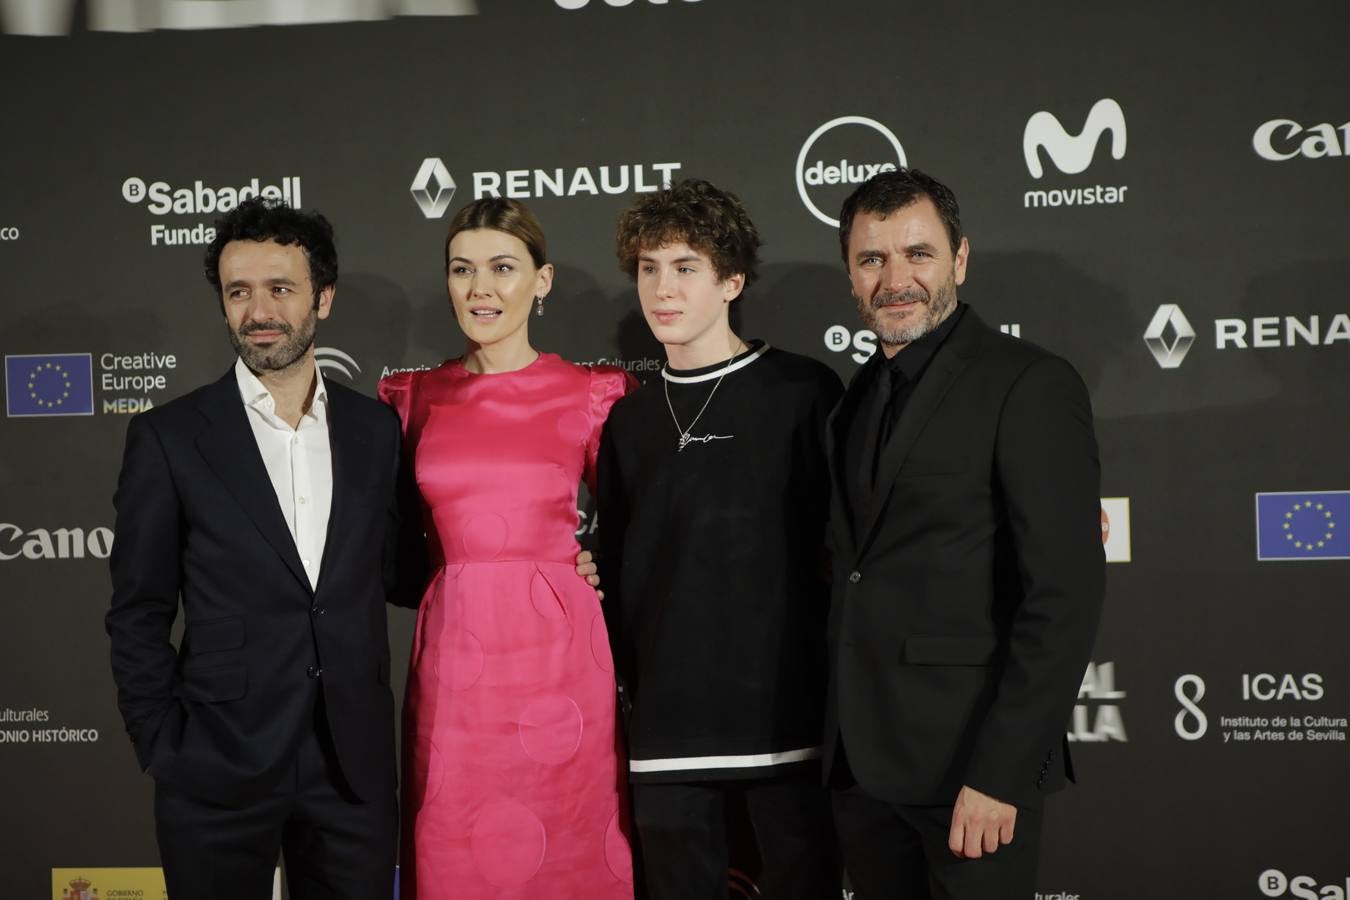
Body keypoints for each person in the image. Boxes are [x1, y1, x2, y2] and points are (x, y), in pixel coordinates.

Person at [104, 196, 607, 899]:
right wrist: (163, 742)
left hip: (353, 768)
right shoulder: (169, 437)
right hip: (218, 762)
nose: (260, 311)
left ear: (324, 298)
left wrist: (558, 560)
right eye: (238, 291)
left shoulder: (374, 431)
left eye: (281, 288)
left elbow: (406, 571)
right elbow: (138, 609)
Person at [824, 168, 1105, 899]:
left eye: (917, 254)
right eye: (871, 259)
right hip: (861, 769)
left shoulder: (1028, 384)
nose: (895, 279)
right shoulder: (853, 398)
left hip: (969, 772)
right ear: (851, 276)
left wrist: (1001, 772)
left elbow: (1064, 597)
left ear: (960, 259)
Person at [378, 197, 636, 899]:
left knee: (573, 843)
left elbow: (644, 521)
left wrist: (600, 563)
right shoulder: (412, 397)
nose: (480, 288)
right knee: (454, 848)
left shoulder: (591, 394)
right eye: (463, 270)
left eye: (502, 268)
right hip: (454, 659)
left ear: (541, 281)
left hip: (560, 661)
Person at [599, 179, 843, 899]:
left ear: (731, 280)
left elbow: (840, 555)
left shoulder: (802, 392)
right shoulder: (627, 423)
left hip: (786, 724)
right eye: (648, 269)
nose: (661, 290)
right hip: (667, 734)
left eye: (684, 268)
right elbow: (617, 566)